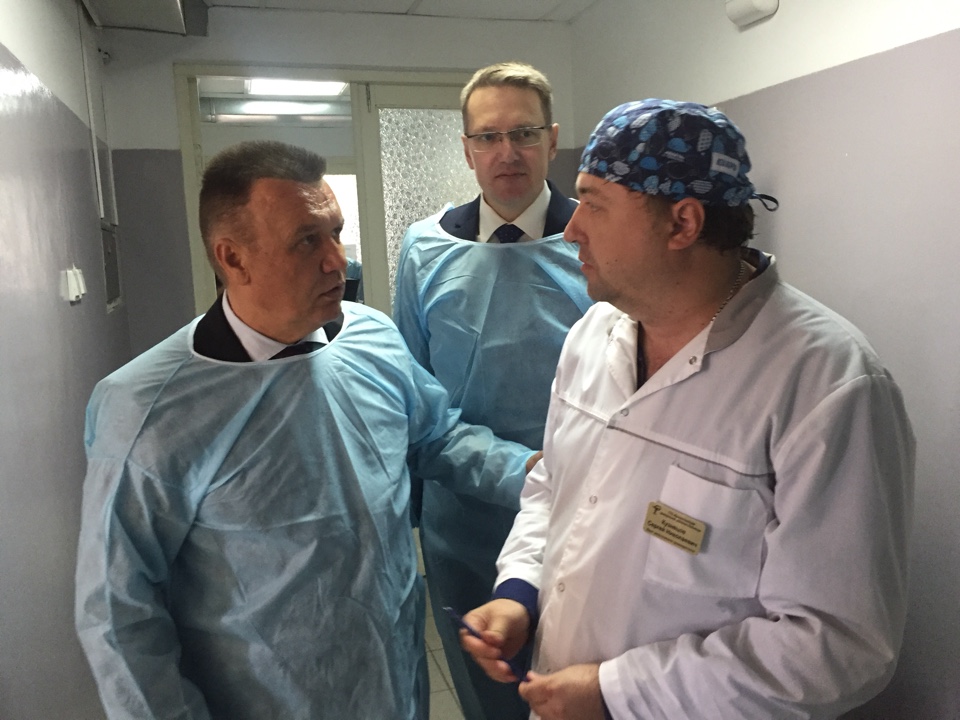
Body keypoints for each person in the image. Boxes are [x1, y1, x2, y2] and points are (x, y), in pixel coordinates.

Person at [461, 99, 916, 720]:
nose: (571, 230)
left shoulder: (827, 385)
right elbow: (553, 487)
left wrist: (617, 693)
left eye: (594, 204)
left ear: (682, 223)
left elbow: (837, 643)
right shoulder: (593, 334)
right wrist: (521, 590)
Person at [74, 140, 537, 720]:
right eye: (306, 241)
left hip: (396, 686)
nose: (337, 261)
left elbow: (438, 438)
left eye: (336, 233)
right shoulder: (149, 409)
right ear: (233, 258)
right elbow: (119, 613)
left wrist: (539, 473)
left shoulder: (369, 339)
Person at [393, 61, 591, 720]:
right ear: (467, 149)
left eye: (524, 133)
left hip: (583, 513)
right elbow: (415, 400)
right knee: (490, 694)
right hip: (464, 525)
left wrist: (558, 479)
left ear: (552, 140)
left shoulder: (597, 240)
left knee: (576, 692)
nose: (507, 152)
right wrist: (517, 470)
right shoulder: (425, 250)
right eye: (488, 137)